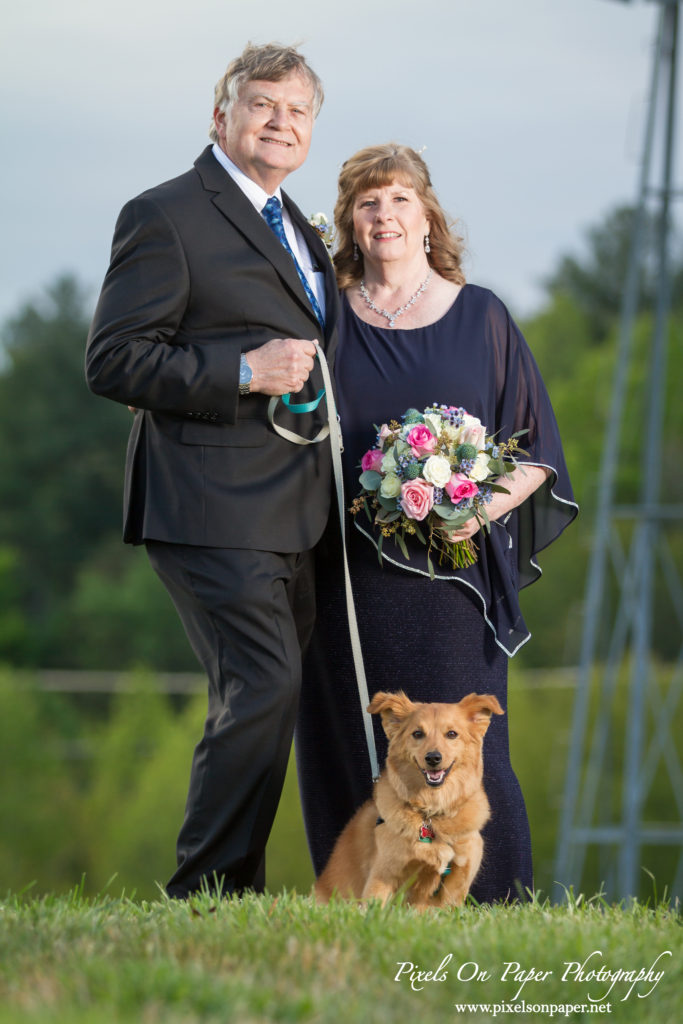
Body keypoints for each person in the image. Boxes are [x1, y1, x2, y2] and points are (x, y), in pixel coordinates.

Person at [85, 43, 339, 899]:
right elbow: (114, 360)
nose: (279, 121)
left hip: (296, 507)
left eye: (296, 111)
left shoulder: (300, 228)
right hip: (206, 503)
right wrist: (241, 373)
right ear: (219, 117)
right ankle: (202, 895)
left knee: (266, 697)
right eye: (261, 104)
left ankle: (232, 894)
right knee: (263, 684)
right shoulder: (165, 215)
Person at [296, 143, 578, 903]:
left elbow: (535, 451)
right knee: (345, 741)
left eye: (397, 200)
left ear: (427, 217)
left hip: (454, 580)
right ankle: (356, 905)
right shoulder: (325, 323)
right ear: (350, 225)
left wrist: (476, 509)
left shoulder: (481, 315)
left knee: (464, 746)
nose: (382, 215)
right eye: (365, 203)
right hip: (346, 573)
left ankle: (494, 905)